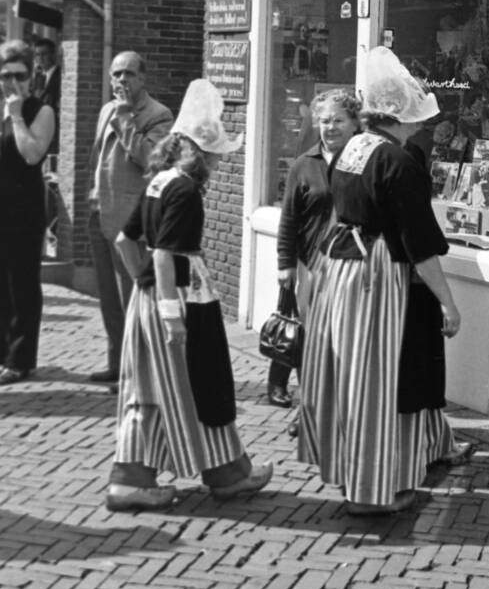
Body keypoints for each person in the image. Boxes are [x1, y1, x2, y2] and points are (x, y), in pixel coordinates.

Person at [299, 47, 466, 515]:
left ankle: (361, 471)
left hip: (341, 270)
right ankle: (374, 491)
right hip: (377, 275)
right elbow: (420, 244)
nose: (418, 123)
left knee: (351, 376)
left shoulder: (350, 148)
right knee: (375, 382)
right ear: (399, 114)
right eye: (414, 114)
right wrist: (448, 303)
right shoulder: (398, 160)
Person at [106, 78, 272, 512]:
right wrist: (169, 312)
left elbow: (126, 240)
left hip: (154, 296)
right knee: (193, 382)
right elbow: (164, 253)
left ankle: (226, 469)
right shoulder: (184, 191)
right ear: (202, 153)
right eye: (215, 153)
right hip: (181, 298)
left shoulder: (159, 181)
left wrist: (140, 286)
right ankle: (141, 479)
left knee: (174, 385)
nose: (218, 162)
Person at [270, 88, 362, 408]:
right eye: (324, 121)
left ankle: (327, 398)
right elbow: (288, 219)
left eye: (338, 120)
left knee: (336, 333)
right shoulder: (303, 165)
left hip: (350, 263)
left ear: (355, 123)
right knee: (304, 330)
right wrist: (286, 264)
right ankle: (296, 395)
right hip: (311, 262)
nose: (330, 127)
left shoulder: (363, 160)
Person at [88, 51, 173, 386]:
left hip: (130, 220)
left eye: (128, 74)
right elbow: (98, 156)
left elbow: (149, 159)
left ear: (143, 78)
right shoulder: (107, 109)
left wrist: (125, 115)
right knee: (108, 298)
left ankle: (137, 371)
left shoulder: (158, 115)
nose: (121, 80)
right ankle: (116, 363)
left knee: (131, 298)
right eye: (116, 74)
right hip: (99, 213)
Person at [0, 41, 56, 384]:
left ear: (31, 74)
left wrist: (18, 114)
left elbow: (32, 154)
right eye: (5, 76)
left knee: (21, 283)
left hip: (24, 211)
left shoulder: (40, 111)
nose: (11, 83)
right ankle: (3, 353)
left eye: (18, 75)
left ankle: (21, 359)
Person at [33, 37, 61, 154]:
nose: (40, 58)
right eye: (37, 54)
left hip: (54, 133)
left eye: (44, 54)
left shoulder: (61, 76)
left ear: (53, 55)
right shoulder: (37, 78)